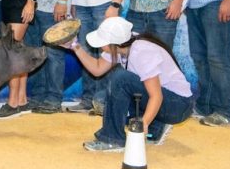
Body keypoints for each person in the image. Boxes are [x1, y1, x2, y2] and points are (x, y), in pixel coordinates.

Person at [58, 17, 193, 152]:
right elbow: (97, 69)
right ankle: (156, 127)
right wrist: (74, 46)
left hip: (178, 105)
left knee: (121, 78)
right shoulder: (122, 46)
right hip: (166, 101)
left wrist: (142, 124)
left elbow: (156, 96)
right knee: (101, 100)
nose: (100, 46)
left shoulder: (141, 52)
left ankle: (112, 139)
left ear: (114, 43)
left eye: (102, 42)